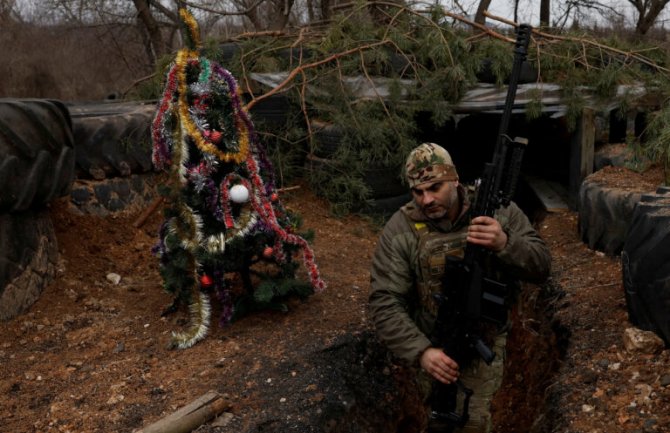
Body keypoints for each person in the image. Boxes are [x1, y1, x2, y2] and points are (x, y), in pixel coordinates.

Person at [369, 142, 551, 433]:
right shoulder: (400, 230)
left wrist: (505, 243)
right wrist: (422, 352)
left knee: (475, 422)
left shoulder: (497, 212)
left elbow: (541, 266)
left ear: (454, 180)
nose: (426, 200)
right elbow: (384, 301)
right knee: (438, 421)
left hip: (485, 342)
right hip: (433, 348)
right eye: (418, 192)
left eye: (435, 187)